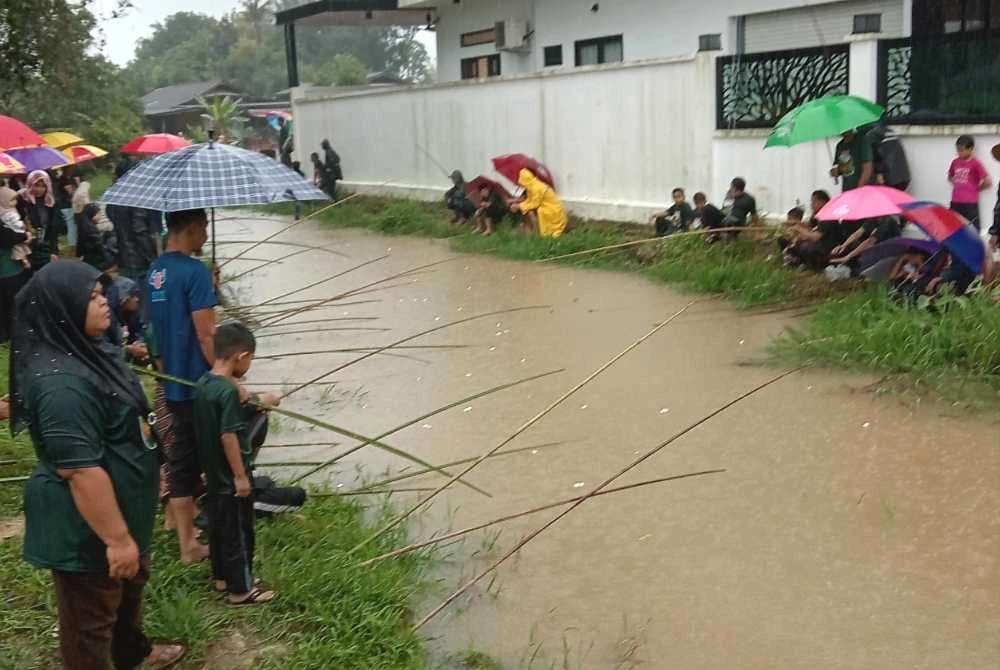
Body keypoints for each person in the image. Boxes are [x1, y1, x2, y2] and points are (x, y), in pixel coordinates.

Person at [10, 261, 184, 669]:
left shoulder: (91, 352)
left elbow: (130, 422)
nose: (105, 301)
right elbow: (80, 470)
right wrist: (118, 540)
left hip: (123, 512)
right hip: (87, 529)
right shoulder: (61, 386)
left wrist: (153, 467)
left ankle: (132, 653)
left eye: (102, 292)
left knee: (128, 590)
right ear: (63, 307)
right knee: (89, 618)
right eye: (91, 297)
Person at [146, 209, 218, 564]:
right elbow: (206, 335)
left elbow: (155, 330)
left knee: (180, 460)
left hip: (171, 382)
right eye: (204, 227)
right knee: (194, 464)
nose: (206, 235)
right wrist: (226, 376)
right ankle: (190, 545)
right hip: (196, 383)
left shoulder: (156, 271)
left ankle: (180, 526)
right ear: (190, 228)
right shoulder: (194, 271)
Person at [194, 322, 280, 606]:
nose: (249, 365)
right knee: (239, 535)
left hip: (214, 476)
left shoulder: (203, 385)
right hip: (231, 479)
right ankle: (241, 589)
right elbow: (228, 435)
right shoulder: (228, 393)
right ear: (240, 356)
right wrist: (241, 477)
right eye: (251, 359)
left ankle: (221, 577)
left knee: (219, 530)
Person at [0, 187, 32, 343]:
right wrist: (24, 236)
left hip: (10, 264)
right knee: (10, 300)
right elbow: (6, 237)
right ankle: (9, 332)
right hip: (7, 267)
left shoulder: (6, 212)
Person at [16, 170, 61, 272]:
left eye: (43, 186)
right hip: (28, 247)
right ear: (30, 184)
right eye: (36, 185)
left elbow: (53, 227)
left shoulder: (51, 202)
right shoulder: (22, 201)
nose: (39, 189)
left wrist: (54, 251)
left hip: (46, 245)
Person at [948, 135, 991, 231]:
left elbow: (988, 182)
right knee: (953, 227)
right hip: (955, 201)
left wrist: (977, 188)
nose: (959, 153)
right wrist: (954, 181)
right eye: (958, 150)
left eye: (962, 150)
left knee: (973, 229)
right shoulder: (955, 162)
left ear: (970, 149)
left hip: (970, 203)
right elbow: (950, 176)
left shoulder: (975, 163)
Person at [511, 168, 567, 238]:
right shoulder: (531, 187)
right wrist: (518, 205)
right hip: (548, 207)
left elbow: (535, 203)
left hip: (553, 211)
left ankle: (538, 233)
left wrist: (519, 206)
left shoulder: (536, 187)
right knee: (528, 211)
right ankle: (531, 230)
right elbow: (530, 200)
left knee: (534, 211)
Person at [74, 182, 117, 272]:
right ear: (92, 214)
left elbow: (80, 242)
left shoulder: (82, 224)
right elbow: (99, 247)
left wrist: (79, 255)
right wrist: (109, 260)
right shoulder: (91, 230)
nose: (100, 217)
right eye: (99, 214)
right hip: (96, 261)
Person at [105, 276, 149, 361]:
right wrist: (128, 350)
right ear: (123, 299)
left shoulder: (133, 314)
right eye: (133, 295)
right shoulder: (107, 317)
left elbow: (140, 332)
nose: (137, 299)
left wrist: (139, 343)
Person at [865, 122, 910, 191]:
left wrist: (879, 173)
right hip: (904, 176)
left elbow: (876, 154)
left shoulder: (871, 134)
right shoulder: (888, 130)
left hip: (890, 178)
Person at [56, 171, 79, 255]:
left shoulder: (63, 179)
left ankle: (73, 245)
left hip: (64, 205)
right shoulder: (66, 179)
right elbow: (71, 193)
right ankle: (73, 245)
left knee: (71, 225)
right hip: (67, 206)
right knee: (71, 225)